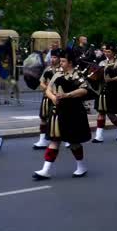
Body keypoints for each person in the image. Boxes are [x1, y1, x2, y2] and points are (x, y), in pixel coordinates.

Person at [32, 49, 93, 180]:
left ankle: (81, 166)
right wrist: (53, 98)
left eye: (64, 61)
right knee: (55, 140)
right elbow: (48, 89)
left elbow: (84, 90)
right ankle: (45, 170)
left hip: (73, 111)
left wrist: (67, 95)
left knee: (74, 142)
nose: (61, 63)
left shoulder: (77, 75)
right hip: (57, 111)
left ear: (70, 62)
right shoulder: (57, 74)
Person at [92, 45, 117, 143]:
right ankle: (99, 136)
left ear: (113, 53)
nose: (106, 53)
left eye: (108, 51)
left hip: (113, 90)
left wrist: (112, 79)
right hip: (101, 90)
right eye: (105, 51)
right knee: (101, 111)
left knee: (110, 113)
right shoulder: (102, 62)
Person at [33, 49, 62, 149]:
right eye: (52, 57)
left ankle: (67, 138)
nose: (53, 59)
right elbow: (41, 82)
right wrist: (46, 87)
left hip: (59, 97)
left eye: (55, 57)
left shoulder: (63, 70)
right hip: (47, 97)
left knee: (61, 118)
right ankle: (42, 140)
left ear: (59, 59)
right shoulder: (48, 69)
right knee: (43, 118)